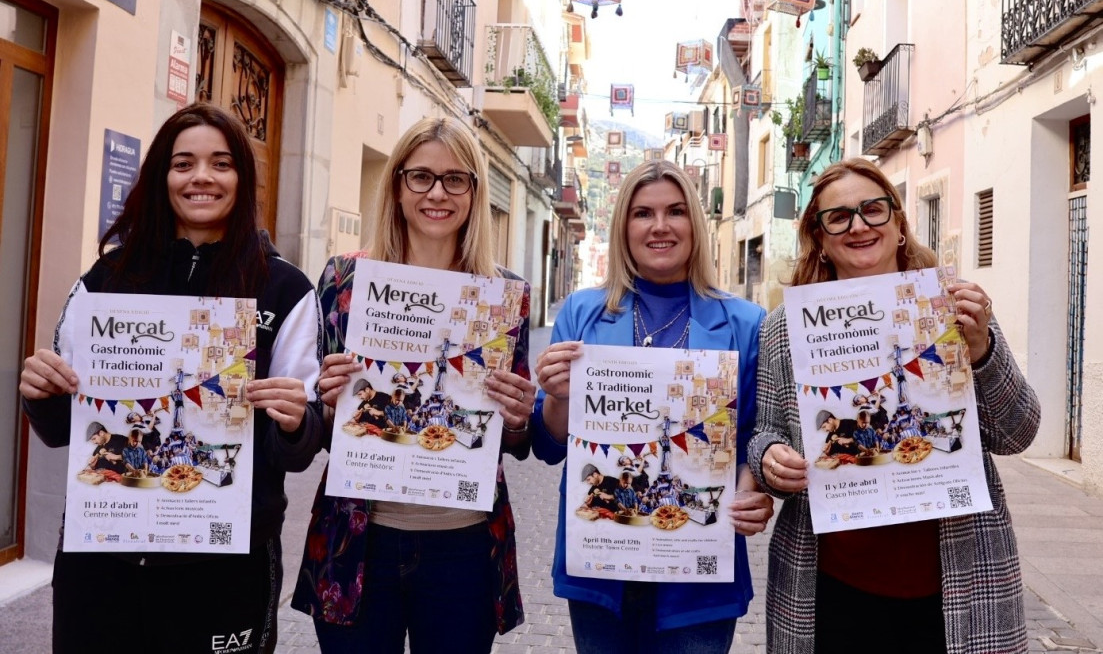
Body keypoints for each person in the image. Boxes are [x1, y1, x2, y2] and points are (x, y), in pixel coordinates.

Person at [19, 102, 324, 654]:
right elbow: (65, 427)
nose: (201, 177)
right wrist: (41, 393)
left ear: (243, 178)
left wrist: (297, 419)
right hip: (103, 561)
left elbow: (300, 448)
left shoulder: (284, 289)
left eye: (220, 163)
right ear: (161, 176)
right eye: (183, 163)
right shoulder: (105, 280)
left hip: (224, 565)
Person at [748, 158, 1041, 654]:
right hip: (829, 585)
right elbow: (766, 432)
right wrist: (770, 459)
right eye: (838, 217)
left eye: (872, 210)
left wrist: (981, 352)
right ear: (819, 236)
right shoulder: (784, 328)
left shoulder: (952, 308)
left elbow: (1018, 434)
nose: (859, 225)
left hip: (956, 585)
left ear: (899, 223)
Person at [291, 117, 536, 653]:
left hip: (464, 545)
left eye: (456, 179)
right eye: (421, 177)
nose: (437, 194)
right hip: (358, 541)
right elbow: (323, 428)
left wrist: (519, 417)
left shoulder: (502, 296)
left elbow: (511, 439)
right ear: (397, 185)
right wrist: (330, 402)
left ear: (474, 191)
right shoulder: (343, 281)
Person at [531, 160, 774, 654]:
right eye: (643, 213)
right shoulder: (582, 313)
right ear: (624, 226)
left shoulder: (747, 324)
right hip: (601, 565)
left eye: (675, 211)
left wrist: (754, 490)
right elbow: (549, 445)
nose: (660, 226)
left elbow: (757, 436)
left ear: (695, 226)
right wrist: (557, 396)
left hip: (700, 575)